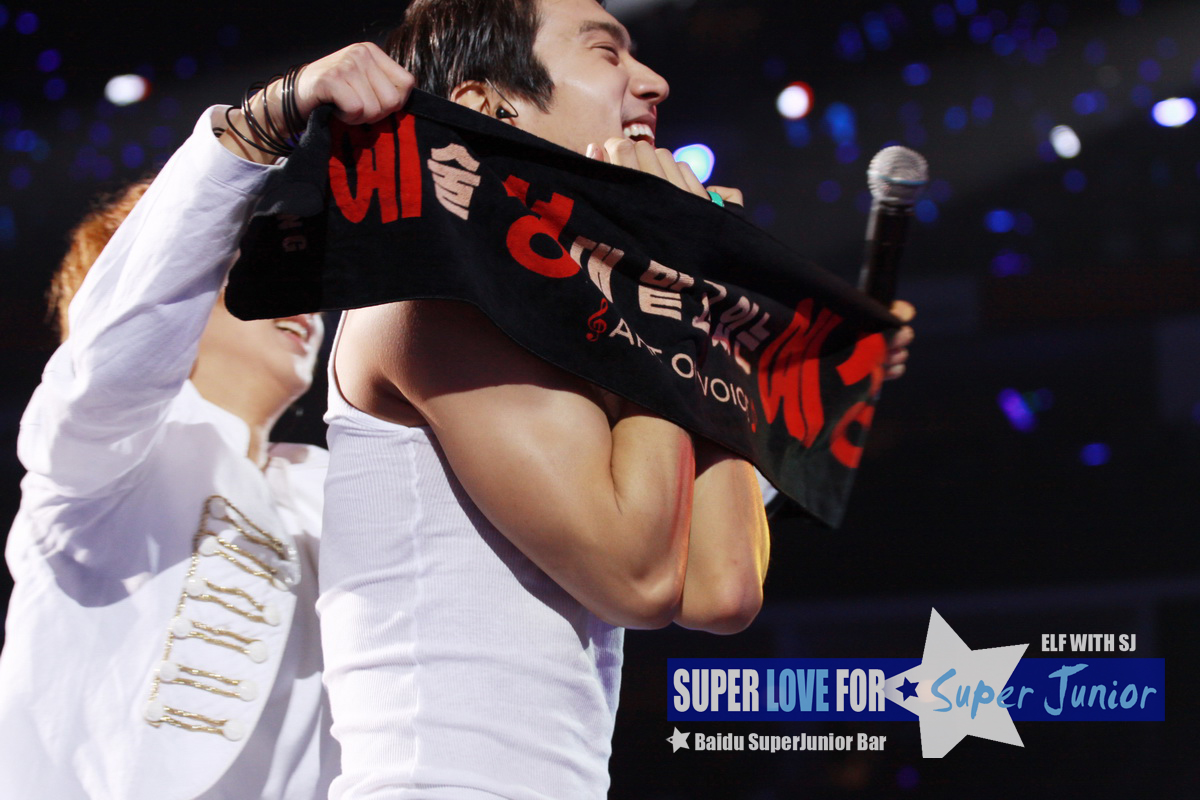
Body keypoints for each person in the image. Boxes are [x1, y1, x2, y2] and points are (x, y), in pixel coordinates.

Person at [240, 1, 908, 798]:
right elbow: (639, 578)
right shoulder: (430, 291)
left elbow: (722, 590)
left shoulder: (582, 319)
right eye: (606, 53)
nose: (653, 83)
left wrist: (701, 301)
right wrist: (672, 272)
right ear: (489, 105)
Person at [0, 41, 419, 796]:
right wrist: (254, 133)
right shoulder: (94, 458)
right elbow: (123, 335)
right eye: (241, 267)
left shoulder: (335, 485)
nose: (293, 295)